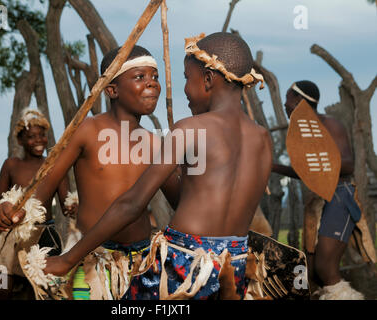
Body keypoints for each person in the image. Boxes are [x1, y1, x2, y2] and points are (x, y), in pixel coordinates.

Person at [42, 32, 272, 300]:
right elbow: (202, 198)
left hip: (183, 267)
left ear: (208, 80)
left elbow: (132, 205)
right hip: (234, 266)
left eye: (187, 78)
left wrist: (68, 259)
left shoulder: (188, 129)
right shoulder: (263, 139)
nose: (184, 89)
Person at [0, 45, 180, 300]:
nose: (152, 84)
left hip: (141, 262)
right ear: (112, 89)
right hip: (90, 260)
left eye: (155, 77)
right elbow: (44, 187)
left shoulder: (155, 144)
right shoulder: (87, 130)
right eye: (140, 77)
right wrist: (13, 209)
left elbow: (180, 201)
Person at [272, 80, 364, 299]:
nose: (286, 105)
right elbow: (307, 171)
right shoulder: (301, 132)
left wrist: (322, 165)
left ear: (301, 101)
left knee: (325, 267)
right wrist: (272, 166)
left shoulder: (329, 124)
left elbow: (348, 165)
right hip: (318, 200)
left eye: (289, 99)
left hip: (339, 195)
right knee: (311, 271)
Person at [0, 108, 75, 299]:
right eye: (31, 136)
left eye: (42, 135)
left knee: (46, 289)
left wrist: (74, 206)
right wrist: (3, 211)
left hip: (44, 235)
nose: (38, 140)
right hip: (12, 235)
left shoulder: (54, 166)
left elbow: (66, 203)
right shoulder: (11, 165)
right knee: (0, 281)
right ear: (20, 140)